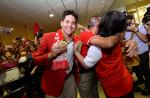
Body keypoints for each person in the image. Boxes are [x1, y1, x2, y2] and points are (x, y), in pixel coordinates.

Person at [74, 10, 134, 98]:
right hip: (125, 81)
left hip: (115, 88)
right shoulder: (108, 39)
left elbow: (108, 44)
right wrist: (121, 34)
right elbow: (109, 43)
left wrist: (75, 52)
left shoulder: (100, 43)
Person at [32, 10, 79, 98]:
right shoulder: (48, 37)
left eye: (73, 23)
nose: (70, 25)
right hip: (53, 82)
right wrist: (51, 54)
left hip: (70, 79)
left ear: (75, 26)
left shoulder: (75, 40)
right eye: (67, 22)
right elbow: (35, 60)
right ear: (61, 23)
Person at [76, 16, 100, 98]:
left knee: (94, 93)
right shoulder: (87, 34)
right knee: (87, 95)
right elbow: (106, 43)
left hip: (91, 71)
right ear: (97, 24)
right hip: (84, 74)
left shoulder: (86, 33)